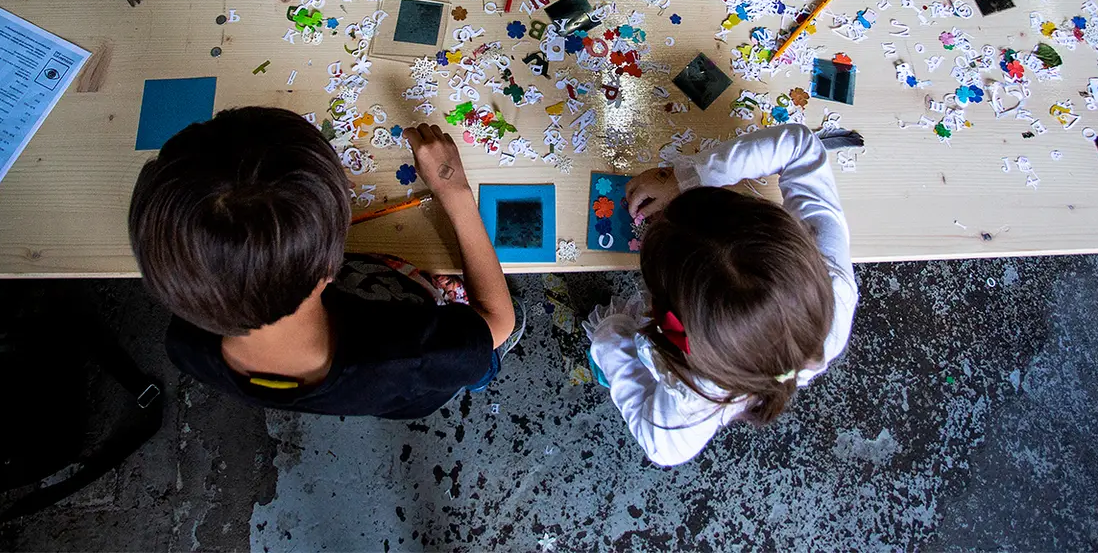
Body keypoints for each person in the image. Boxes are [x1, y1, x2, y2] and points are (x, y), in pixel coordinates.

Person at [128, 108, 521, 418]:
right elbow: (499, 321)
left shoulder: (183, 345)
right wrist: (454, 190)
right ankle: (482, 376)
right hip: (413, 387)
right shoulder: (421, 351)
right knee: (477, 364)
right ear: (332, 265)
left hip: (371, 392)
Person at [587, 124, 857, 466]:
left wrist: (611, 333)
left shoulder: (695, 395)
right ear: (790, 234)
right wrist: (686, 177)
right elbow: (801, 144)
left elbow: (664, 450)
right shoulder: (832, 284)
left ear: (668, 322)